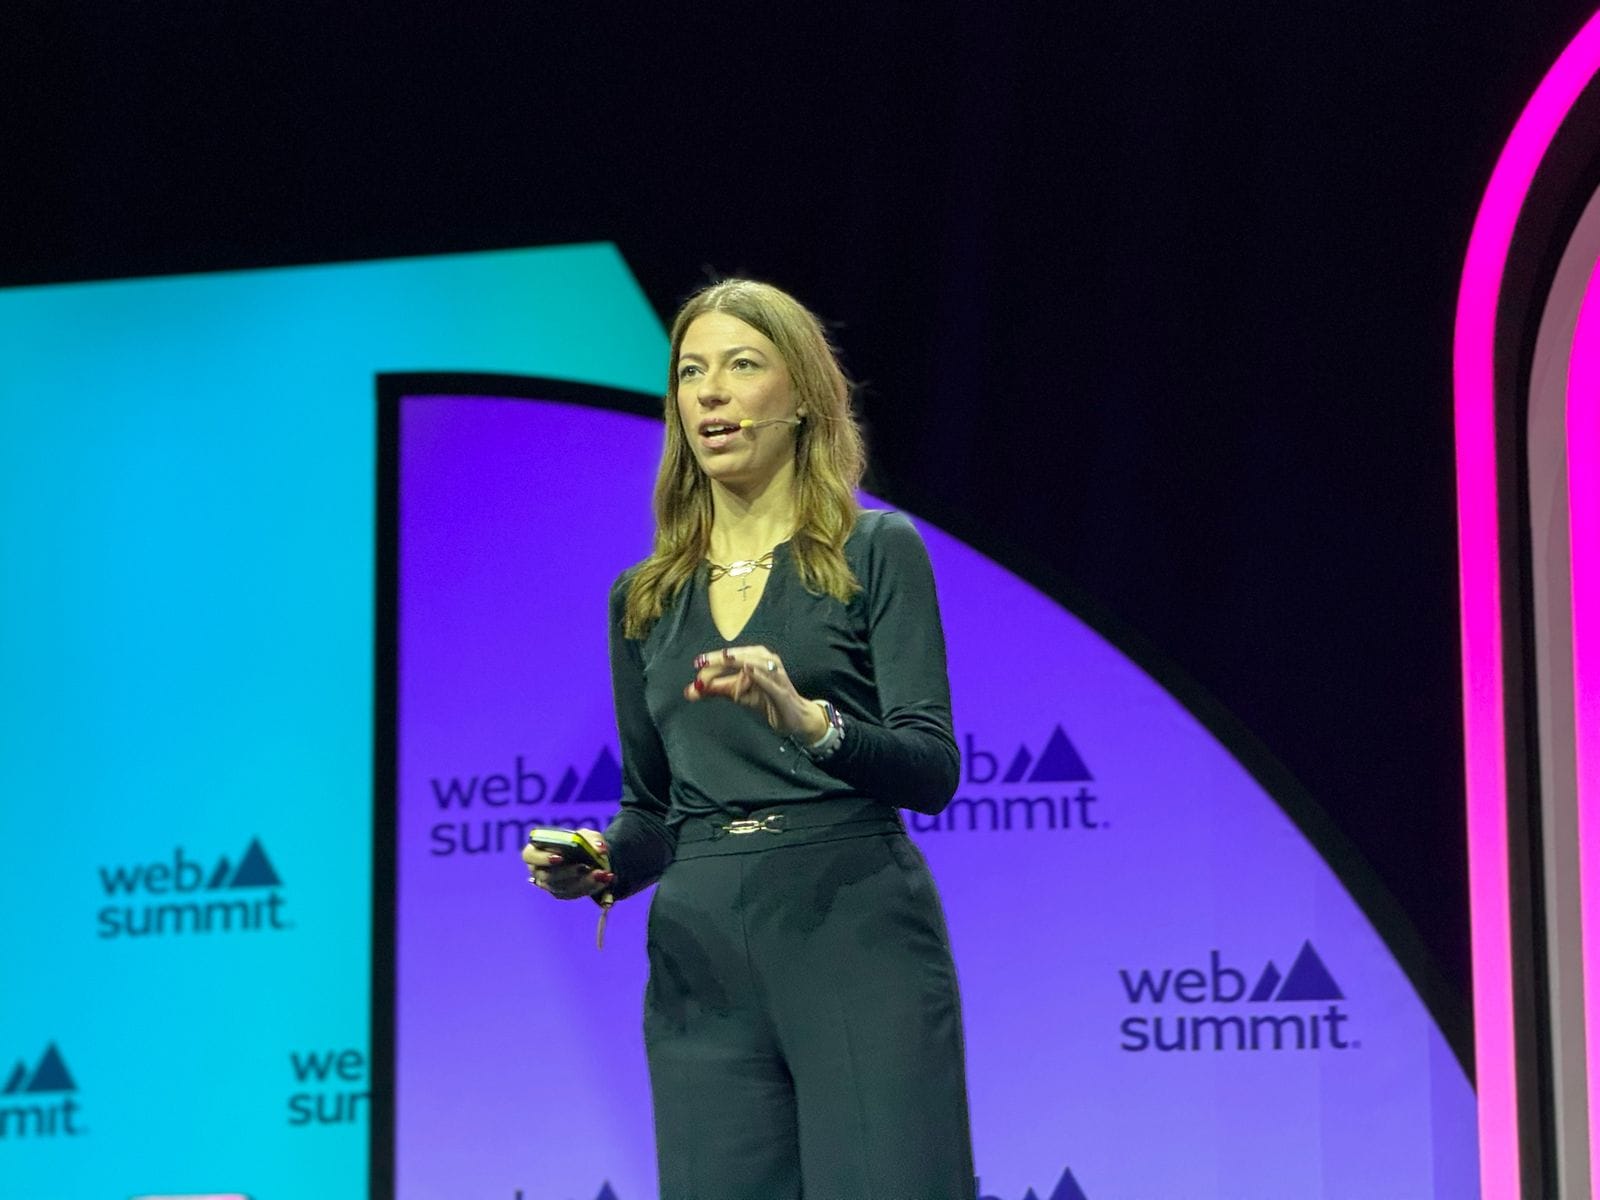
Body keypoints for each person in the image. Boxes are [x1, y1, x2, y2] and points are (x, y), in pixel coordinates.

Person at [522, 279, 974, 1200]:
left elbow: (930, 769)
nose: (710, 393)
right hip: (700, 950)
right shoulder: (644, 598)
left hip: (852, 922)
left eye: (741, 366)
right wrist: (599, 860)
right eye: (691, 373)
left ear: (802, 397)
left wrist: (809, 720)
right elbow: (655, 811)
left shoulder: (876, 549)